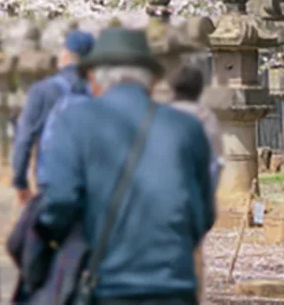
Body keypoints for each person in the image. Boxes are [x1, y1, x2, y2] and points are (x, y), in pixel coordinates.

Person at [37, 27, 215, 305]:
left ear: (93, 78)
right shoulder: (186, 128)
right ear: (153, 80)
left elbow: (58, 203)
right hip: (173, 284)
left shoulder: (73, 121)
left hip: (105, 283)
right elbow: (203, 214)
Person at [10, 29, 94, 204]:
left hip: (51, 181)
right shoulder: (99, 91)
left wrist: (20, 181)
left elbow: (24, 138)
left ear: (66, 54)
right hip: (92, 183)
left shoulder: (43, 90)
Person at [169, 62, 223, 303]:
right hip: (193, 200)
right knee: (195, 257)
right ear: (200, 89)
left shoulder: (160, 116)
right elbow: (214, 166)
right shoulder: (207, 120)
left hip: (162, 199)